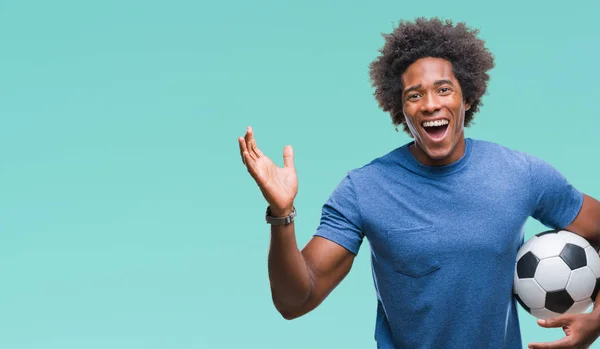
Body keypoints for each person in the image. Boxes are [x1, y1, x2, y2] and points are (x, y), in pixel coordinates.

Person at [237, 17, 600, 349]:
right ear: (401, 109)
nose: (430, 104)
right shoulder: (363, 190)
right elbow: (294, 301)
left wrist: (597, 320)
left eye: (444, 90)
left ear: (467, 97)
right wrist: (281, 215)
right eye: (414, 95)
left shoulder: (520, 174)